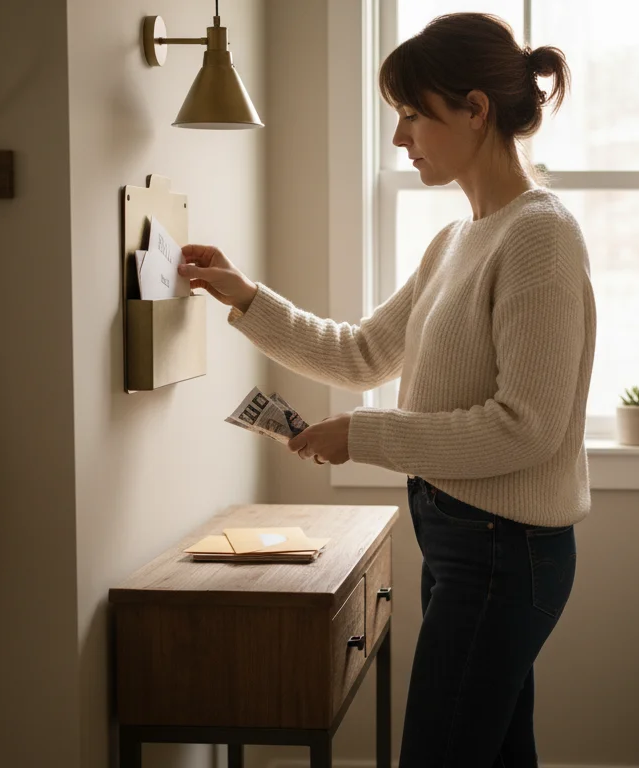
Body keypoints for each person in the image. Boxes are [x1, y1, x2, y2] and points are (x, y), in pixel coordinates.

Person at [177, 12, 595, 767]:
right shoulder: (458, 240)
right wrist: (245, 298)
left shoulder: (540, 236)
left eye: (411, 115)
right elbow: (365, 353)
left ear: (475, 110)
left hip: (505, 553)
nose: (400, 138)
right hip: (461, 539)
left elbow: (527, 426)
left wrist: (362, 437)